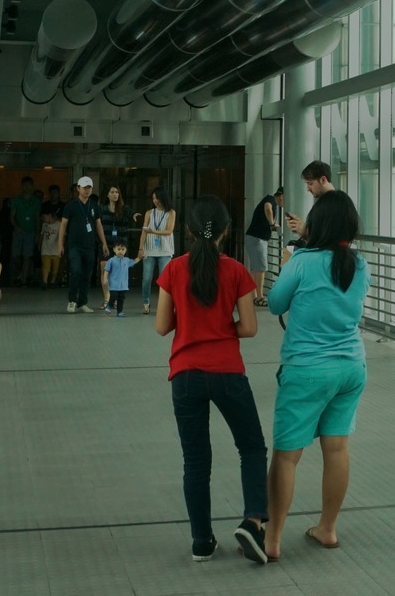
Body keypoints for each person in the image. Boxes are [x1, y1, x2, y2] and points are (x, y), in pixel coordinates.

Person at [155, 195, 270, 565]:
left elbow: (161, 326)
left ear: (187, 231)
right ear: (225, 231)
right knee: (251, 448)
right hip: (227, 373)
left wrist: (189, 323)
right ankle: (253, 522)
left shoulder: (173, 269)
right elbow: (249, 328)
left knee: (195, 460)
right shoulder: (235, 270)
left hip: (185, 375)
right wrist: (223, 327)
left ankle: (201, 542)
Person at [265, 189, 369, 561]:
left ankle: (273, 538)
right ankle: (327, 528)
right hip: (351, 367)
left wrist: (291, 259)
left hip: (307, 368)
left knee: (286, 457)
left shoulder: (303, 261)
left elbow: (275, 302)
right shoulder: (359, 264)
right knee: (337, 447)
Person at [60, 175, 108, 313]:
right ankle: (72, 301)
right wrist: (60, 244)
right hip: (74, 245)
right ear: (78, 189)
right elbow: (63, 225)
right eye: (84, 188)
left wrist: (103, 243)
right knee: (76, 271)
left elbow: (98, 225)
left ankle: (82, 302)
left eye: (89, 188)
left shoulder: (94, 206)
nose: (87, 190)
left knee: (87, 274)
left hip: (90, 246)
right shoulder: (71, 205)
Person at [141, 188, 177, 315]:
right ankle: (146, 303)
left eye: (157, 198)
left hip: (165, 250)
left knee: (165, 279)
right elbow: (144, 232)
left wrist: (153, 232)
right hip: (149, 250)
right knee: (146, 278)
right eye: (153, 198)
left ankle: (165, 305)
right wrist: (141, 248)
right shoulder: (149, 213)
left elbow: (169, 231)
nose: (155, 200)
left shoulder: (171, 213)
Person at [244, 187, 281, 306]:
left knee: (256, 269)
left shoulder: (269, 200)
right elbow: (268, 209)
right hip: (257, 239)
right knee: (261, 268)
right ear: (281, 195)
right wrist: (272, 224)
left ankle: (253, 296)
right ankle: (259, 296)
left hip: (254, 237)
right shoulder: (270, 200)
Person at [99, 185, 130, 311]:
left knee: (118, 273)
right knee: (105, 271)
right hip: (106, 243)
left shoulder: (124, 209)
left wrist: (134, 215)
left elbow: (132, 213)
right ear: (107, 194)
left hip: (120, 245)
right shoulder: (101, 209)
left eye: (117, 192)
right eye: (112, 192)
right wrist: (103, 242)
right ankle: (107, 298)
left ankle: (115, 299)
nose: (115, 194)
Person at [285, 161, 333, 239]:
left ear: (323, 180)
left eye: (310, 183)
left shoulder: (333, 203)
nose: (308, 189)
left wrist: (305, 231)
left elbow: (328, 238)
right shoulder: (327, 202)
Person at [10, 178, 40, 286]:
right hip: (18, 232)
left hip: (30, 232)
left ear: (32, 186)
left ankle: (23, 279)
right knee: (15, 256)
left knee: (27, 256)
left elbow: (37, 218)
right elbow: (12, 217)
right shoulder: (17, 200)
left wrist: (37, 233)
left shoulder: (36, 201)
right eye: (25, 185)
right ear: (22, 186)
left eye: (29, 185)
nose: (27, 187)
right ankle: (19, 274)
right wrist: (16, 227)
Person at [103, 242, 135, 317]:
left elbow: (134, 262)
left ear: (125, 250)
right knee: (113, 296)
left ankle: (119, 312)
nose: (121, 251)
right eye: (119, 249)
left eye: (123, 249)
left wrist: (140, 257)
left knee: (121, 299)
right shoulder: (111, 260)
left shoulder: (127, 260)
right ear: (114, 250)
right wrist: (105, 278)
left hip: (123, 285)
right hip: (114, 284)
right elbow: (106, 270)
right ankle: (109, 306)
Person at [39, 203, 64, 289]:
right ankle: (45, 282)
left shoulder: (59, 224)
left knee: (55, 268)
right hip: (45, 249)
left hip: (55, 250)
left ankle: (53, 281)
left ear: (49, 215)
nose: (43, 219)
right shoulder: (44, 225)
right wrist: (39, 244)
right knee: (46, 266)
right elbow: (42, 235)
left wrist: (61, 246)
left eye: (44, 216)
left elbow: (62, 236)